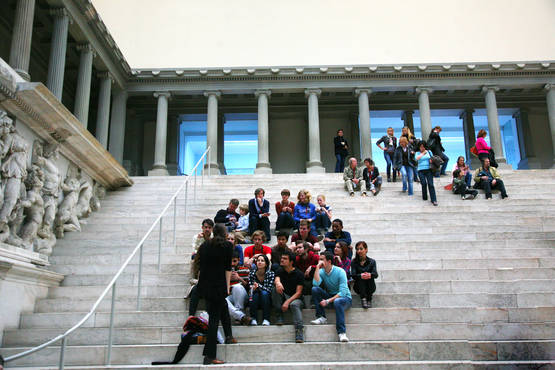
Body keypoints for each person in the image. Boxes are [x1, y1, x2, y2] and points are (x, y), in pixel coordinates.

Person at [196, 223, 235, 365]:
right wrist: (227, 287)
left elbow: (200, 267)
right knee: (213, 320)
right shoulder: (227, 246)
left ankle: (229, 336)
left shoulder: (205, 245)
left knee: (221, 308)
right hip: (217, 286)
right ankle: (210, 356)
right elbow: (227, 268)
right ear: (225, 233)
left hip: (205, 286)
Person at [311, 252, 352, 343]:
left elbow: (343, 292)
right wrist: (317, 267)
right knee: (315, 289)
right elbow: (315, 283)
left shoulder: (340, 271)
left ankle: (342, 332)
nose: (319, 261)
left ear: (329, 261)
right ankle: (321, 317)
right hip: (331, 297)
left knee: (337, 301)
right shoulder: (321, 272)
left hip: (345, 299)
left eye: (322, 259)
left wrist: (328, 301)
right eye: (319, 259)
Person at [272, 250, 305, 342]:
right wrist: (278, 283)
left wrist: (287, 302)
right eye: (281, 258)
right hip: (283, 296)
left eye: (285, 259)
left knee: (294, 304)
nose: (281, 260)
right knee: (275, 289)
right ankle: (279, 316)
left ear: (291, 262)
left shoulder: (299, 274)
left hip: (296, 299)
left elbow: (298, 293)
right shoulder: (279, 270)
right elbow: (277, 279)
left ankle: (299, 330)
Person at [226, 251, 251, 325]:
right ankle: (240, 316)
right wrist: (227, 278)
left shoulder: (245, 270)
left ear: (239, 260)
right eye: (230, 261)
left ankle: (239, 313)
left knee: (237, 287)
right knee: (221, 299)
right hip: (228, 295)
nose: (232, 264)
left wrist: (239, 278)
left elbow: (248, 287)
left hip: (242, 295)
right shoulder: (223, 271)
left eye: (234, 261)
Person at [350, 241, 378, 309]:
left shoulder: (372, 261)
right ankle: (363, 299)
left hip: (370, 287)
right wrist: (361, 275)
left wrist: (369, 275)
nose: (359, 251)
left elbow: (376, 275)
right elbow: (353, 275)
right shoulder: (354, 262)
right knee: (361, 277)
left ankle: (369, 298)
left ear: (366, 249)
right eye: (357, 249)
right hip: (358, 287)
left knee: (369, 276)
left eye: (361, 249)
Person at [249, 254, 275, 326]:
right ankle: (253, 318)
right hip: (255, 298)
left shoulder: (270, 274)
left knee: (264, 293)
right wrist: (253, 289)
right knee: (254, 293)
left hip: (266, 298)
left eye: (262, 261)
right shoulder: (252, 273)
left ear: (266, 264)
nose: (259, 262)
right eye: (258, 260)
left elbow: (269, 289)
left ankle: (266, 319)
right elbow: (250, 287)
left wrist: (258, 286)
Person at [415, 142, 438, 206]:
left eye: (423, 147)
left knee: (431, 184)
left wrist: (431, 160)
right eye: (421, 147)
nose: (422, 148)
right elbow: (416, 159)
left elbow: (432, 158)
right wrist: (422, 153)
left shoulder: (429, 152)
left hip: (428, 169)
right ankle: (424, 196)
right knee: (424, 183)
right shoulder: (417, 153)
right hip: (420, 170)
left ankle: (434, 199)